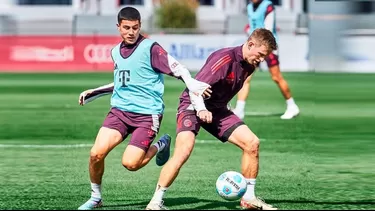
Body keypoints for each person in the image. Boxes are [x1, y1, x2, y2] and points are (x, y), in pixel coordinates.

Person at [77, 7, 211, 210]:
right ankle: (96, 198)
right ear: (118, 27)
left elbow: (178, 68)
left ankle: (161, 145)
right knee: (96, 154)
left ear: (140, 26)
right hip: (119, 112)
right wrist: (95, 91)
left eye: (135, 27)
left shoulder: (151, 48)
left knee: (131, 164)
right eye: (126, 28)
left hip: (146, 116)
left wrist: (192, 84)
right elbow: (122, 83)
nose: (131, 32)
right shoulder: (115, 51)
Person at [146, 28, 278, 210]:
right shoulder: (224, 59)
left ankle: (249, 198)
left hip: (217, 110)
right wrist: (200, 109)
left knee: (252, 143)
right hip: (192, 105)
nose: (262, 60)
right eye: (261, 54)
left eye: (265, 56)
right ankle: (155, 202)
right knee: (184, 150)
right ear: (250, 44)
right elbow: (195, 87)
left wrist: (226, 109)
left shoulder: (250, 65)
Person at [232, 0, 300, 120]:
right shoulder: (249, 7)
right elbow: (250, 26)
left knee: (276, 77)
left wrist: (259, 40)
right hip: (255, 49)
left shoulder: (268, 6)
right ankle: (240, 109)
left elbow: (268, 28)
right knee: (245, 78)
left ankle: (292, 105)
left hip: (268, 48)